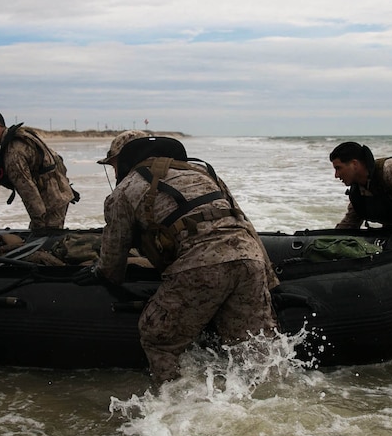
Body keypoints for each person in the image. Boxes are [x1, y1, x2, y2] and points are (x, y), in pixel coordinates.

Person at [79, 131, 279, 388]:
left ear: (125, 159)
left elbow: (113, 259)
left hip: (202, 264)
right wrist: (270, 280)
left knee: (157, 336)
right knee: (252, 346)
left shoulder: (124, 190)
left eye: (114, 164)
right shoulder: (203, 173)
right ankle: (267, 393)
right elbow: (242, 221)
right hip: (249, 258)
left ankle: (176, 402)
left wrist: (100, 273)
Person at [0, 109, 77, 230]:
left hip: (51, 201)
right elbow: (54, 159)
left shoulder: (13, 151)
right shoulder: (22, 135)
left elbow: (28, 191)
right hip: (57, 194)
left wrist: (38, 223)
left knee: (46, 240)